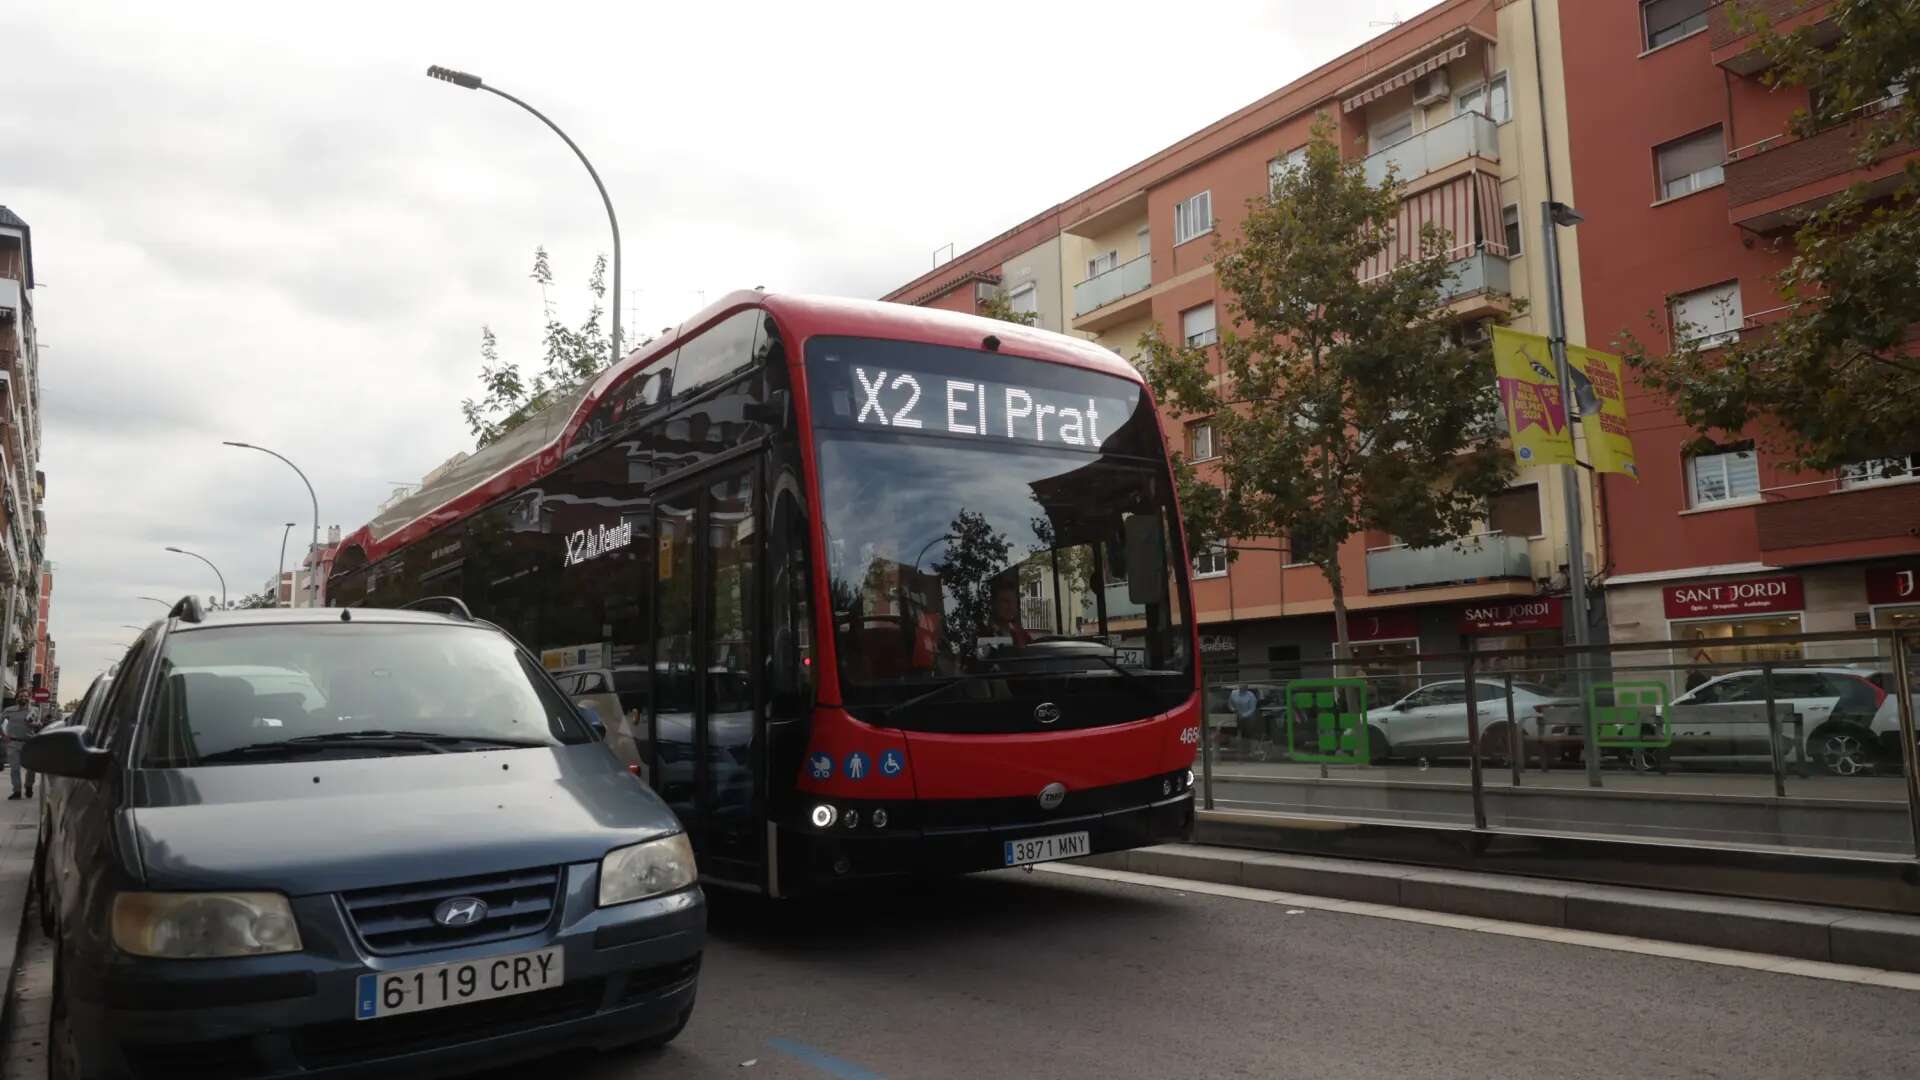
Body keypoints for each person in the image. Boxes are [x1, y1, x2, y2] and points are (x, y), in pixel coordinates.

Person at [4, 695, 37, 800]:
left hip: (28, 743)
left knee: (31, 767)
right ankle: (17, 791)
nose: (23, 698)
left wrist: (33, 723)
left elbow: (39, 724)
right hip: (13, 743)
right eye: (21, 695)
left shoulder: (34, 710)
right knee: (15, 768)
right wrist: (4, 735)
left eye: (26, 695)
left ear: (29, 698)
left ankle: (29, 785)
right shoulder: (9, 710)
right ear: (17, 698)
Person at [987, 574, 1032, 647]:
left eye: (1013, 601)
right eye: (1005, 601)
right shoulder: (985, 634)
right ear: (993, 604)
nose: (1011, 607)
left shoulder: (1022, 634)